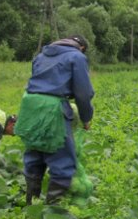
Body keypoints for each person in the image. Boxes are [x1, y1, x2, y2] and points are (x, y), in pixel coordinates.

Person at [16, 34, 95, 204]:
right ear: (81, 47)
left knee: (34, 152)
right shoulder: (77, 57)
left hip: (29, 105)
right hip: (52, 109)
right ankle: (52, 209)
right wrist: (86, 118)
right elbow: (83, 93)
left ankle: (31, 204)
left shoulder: (41, 56)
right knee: (62, 159)